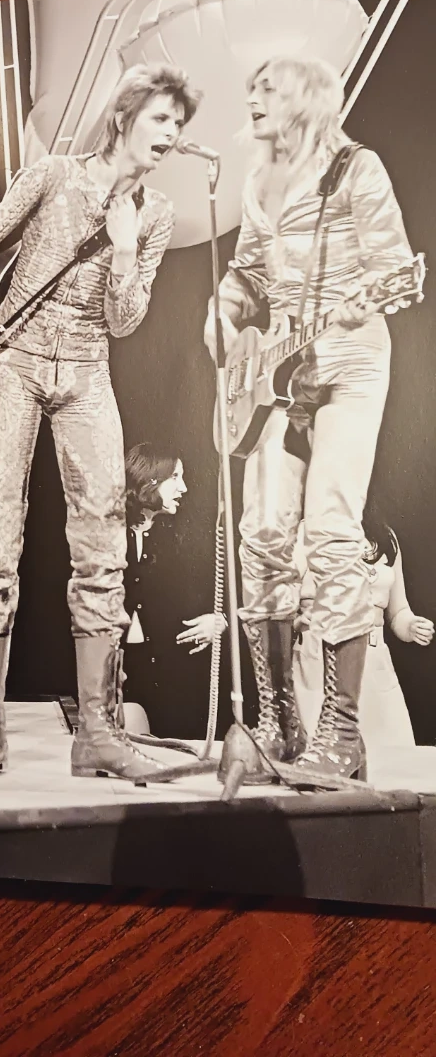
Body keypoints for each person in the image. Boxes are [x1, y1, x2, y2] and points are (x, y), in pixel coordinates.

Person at [0, 64, 201, 780]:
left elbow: (124, 322)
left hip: (86, 371)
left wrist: (127, 249)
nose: (171, 133)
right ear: (124, 117)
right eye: (161, 118)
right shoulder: (53, 176)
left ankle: (98, 732)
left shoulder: (157, 213)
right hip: (15, 362)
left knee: (103, 542)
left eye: (178, 123)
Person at [204, 56, 417, 782]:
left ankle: (343, 730)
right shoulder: (258, 181)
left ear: (305, 100)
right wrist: (223, 314)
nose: (253, 102)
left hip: (349, 360)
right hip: (280, 372)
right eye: (252, 91)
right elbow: (246, 275)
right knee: (262, 532)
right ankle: (279, 723)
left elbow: (394, 269)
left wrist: (363, 299)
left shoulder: (358, 169)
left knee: (329, 528)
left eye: (267, 91)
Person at [294, 515, 434, 750]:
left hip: (374, 661)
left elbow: (398, 611)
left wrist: (410, 626)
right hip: (321, 660)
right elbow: (278, 600)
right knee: (324, 755)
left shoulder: (385, 537)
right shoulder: (308, 530)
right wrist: (297, 621)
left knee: (390, 759)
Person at [122, 442, 227, 737]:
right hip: (125, 671)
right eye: (175, 478)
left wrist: (222, 620)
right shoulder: (108, 535)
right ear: (149, 480)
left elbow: (232, 591)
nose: (183, 488)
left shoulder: (189, 537)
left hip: (177, 676)